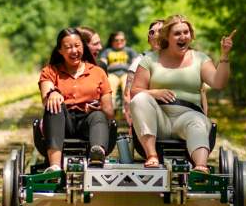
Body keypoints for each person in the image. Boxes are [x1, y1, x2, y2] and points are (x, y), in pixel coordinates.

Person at [129, 14, 236, 174]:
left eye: (186, 32)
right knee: (140, 99)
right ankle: (152, 155)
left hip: (188, 116)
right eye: (177, 33)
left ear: (191, 35)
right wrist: (154, 93)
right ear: (167, 37)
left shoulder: (200, 59)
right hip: (159, 118)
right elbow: (135, 91)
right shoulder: (150, 60)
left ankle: (200, 166)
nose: (182, 37)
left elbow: (218, 82)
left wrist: (225, 55)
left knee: (197, 121)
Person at [39, 27, 115, 170]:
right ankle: (55, 166)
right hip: (62, 122)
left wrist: (99, 107)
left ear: (83, 47)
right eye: (68, 47)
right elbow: (45, 95)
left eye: (77, 46)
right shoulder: (49, 71)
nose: (74, 51)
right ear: (60, 51)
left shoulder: (98, 72)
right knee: (53, 104)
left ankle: (97, 155)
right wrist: (53, 93)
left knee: (99, 114)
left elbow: (110, 112)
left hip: (89, 122)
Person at [122, 19, 164, 125]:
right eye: (152, 32)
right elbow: (128, 94)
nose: (156, 35)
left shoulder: (180, 60)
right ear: (149, 39)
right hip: (148, 113)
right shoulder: (139, 62)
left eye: (161, 31)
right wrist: (131, 119)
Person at [102, 31, 137, 114]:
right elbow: (103, 63)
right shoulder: (107, 51)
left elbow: (135, 63)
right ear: (112, 41)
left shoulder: (130, 51)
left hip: (126, 73)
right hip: (112, 74)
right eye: (116, 40)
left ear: (125, 41)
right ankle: (111, 108)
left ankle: (127, 108)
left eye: (122, 40)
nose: (119, 42)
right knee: (110, 85)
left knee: (127, 85)